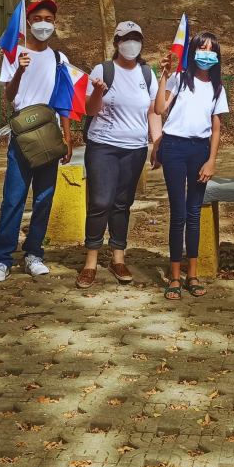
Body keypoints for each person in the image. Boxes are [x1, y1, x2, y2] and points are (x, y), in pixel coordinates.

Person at [0, 0, 72, 283]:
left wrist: (68, 138)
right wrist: (21, 70)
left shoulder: (60, 59)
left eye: (48, 18)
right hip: (21, 138)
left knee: (44, 198)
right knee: (13, 199)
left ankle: (34, 254)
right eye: (36, 17)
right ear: (28, 23)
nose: (42, 23)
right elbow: (9, 97)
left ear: (55, 23)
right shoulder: (15, 54)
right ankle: (1, 258)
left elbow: (64, 102)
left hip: (49, 137)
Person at [78, 21, 161, 289]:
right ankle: (90, 262)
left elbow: (153, 112)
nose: (131, 43)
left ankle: (118, 258)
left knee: (123, 203)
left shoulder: (147, 73)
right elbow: (89, 110)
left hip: (135, 148)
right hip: (102, 146)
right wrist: (98, 92)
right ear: (116, 43)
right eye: (126, 38)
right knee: (100, 201)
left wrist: (156, 142)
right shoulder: (103, 70)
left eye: (136, 38)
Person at [152, 32, 228, 300]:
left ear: (217, 55)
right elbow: (160, 109)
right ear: (193, 51)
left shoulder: (218, 87)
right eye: (201, 47)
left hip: (201, 150)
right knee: (179, 213)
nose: (206, 53)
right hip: (174, 148)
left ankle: (192, 275)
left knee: (194, 214)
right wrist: (163, 76)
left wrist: (211, 161)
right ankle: (174, 276)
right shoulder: (180, 79)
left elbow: (216, 130)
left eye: (211, 49)